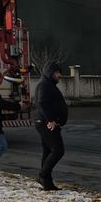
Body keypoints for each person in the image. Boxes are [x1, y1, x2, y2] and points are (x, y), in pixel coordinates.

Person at [34, 62, 68, 191]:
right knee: (58, 150)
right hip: (45, 123)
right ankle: (42, 175)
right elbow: (42, 103)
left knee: (48, 151)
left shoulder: (48, 85)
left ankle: (47, 182)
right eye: (57, 72)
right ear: (50, 73)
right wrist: (51, 120)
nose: (60, 75)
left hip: (43, 122)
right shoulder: (45, 85)